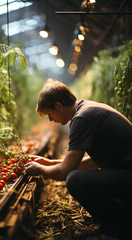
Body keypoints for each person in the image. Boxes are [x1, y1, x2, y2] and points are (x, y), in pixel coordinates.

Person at [25, 79, 132, 238]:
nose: (51, 120)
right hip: (125, 171)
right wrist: (48, 162)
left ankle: (121, 224)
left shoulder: (81, 119)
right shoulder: (86, 109)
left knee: (74, 179)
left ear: (58, 106)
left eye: (49, 114)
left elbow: (65, 171)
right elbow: (94, 162)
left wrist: (40, 169)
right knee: (75, 175)